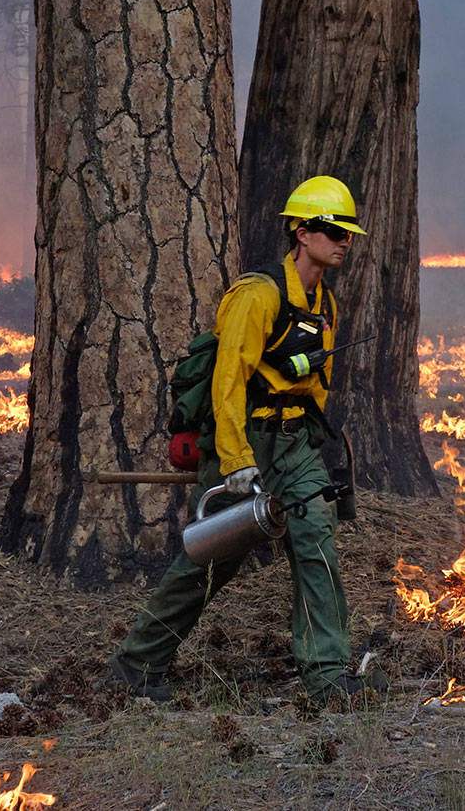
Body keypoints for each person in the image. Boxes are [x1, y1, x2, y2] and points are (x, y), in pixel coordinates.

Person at [110, 175, 379, 702]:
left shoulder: (324, 303)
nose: (344, 240)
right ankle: (136, 666)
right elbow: (227, 383)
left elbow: (314, 386)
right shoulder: (258, 296)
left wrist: (309, 446)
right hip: (246, 440)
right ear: (302, 232)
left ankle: (327, 675)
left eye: (349, 232)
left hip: (294, 443)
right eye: (334, 230)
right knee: (214, 556)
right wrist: (235, 460)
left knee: (316, 541)